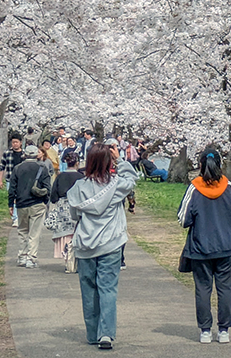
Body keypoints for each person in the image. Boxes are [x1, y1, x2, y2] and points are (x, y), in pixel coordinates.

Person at [68, 143, 139, 350]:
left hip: (85, 244)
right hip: (110, 243)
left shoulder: (79, 188)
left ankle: (92, 333)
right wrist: (122, 160)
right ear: (109, 161)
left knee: (88, 289)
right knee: (108, 289)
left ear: (88, 162)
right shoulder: (116, 185)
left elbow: (74, 215)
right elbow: (132, 179)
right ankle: (105, 334)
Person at [177, 145, 231, 344]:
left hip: (201, 248)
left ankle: (205, 331)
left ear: (200, 165)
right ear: (220, 165)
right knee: (225, 289)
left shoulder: (194, 188)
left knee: (203, 289)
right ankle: (224, 331)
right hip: (227, 247)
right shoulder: (230, 188)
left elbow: (183, 219)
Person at [7, 144, 52, 268]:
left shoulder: (17, 168)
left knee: (22, 231)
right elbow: (48, 188)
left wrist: (11, 204)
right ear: (36, 155)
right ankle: (31, 259)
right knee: (34, 232)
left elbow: (12, 189)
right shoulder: (42, 168)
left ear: (25, 155)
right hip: (37, 204)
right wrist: (45, 202)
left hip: (21, 204)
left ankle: (22, 256)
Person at [49, 159, 83, 269]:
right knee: (77, 231)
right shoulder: (81, 177)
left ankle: (67, 260)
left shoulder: (60, 176)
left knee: (65, 234)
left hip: (63, 206)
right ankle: (76, 260)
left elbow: (53, 194)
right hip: (77, 205)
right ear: (77, 163)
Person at [0, 135, 25, 226]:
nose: (15, 144)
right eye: (13, 142)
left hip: (22, 180)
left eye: (16, 142)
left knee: (21, 198)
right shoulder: (7, 153)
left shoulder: (24, 154)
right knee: (12, 197)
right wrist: (0, 181)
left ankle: (20, 216)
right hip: (10, 179)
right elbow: (2, 167)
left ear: (20, 143)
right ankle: (15, 218)